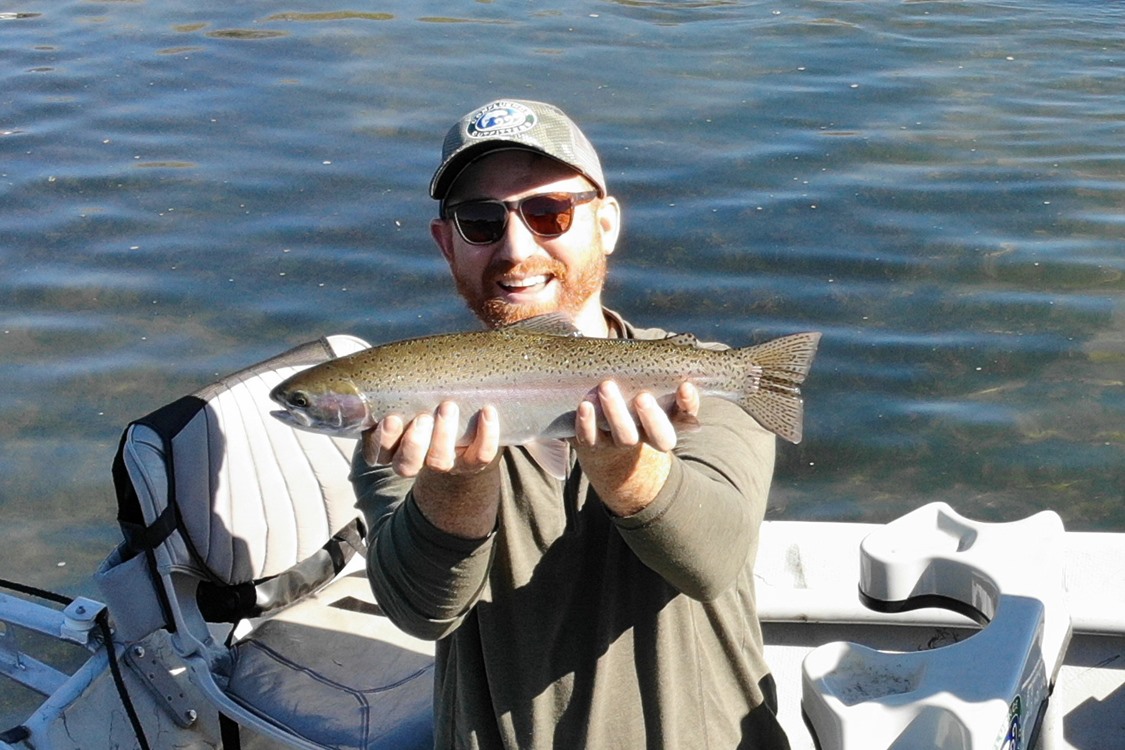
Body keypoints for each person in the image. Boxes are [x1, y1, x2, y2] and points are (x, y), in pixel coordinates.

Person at [351, 98, 790, 749]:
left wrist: (626, 468)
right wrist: (455, 485)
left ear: (606, 224)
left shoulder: (703, 381)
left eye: (549, 212)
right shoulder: (406, 420)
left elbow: (711, 561)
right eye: (479, 222)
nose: (517, 247)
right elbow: (421, 612)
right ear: (446, 245)